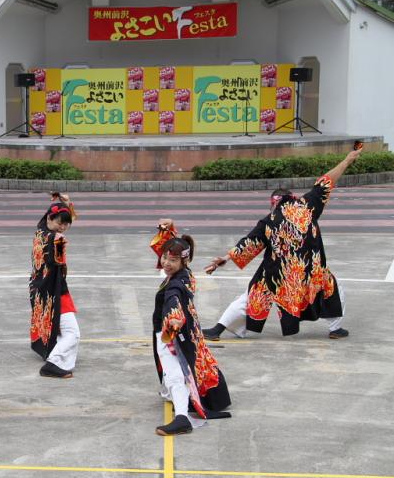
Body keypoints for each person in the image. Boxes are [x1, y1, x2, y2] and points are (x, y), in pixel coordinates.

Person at [202, 147, 362, 341]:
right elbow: (326, 181)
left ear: (273, 203)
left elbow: (248, 243)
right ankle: (336, 329)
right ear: (291, 198)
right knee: (334, 290)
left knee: (249, 297)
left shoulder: (268, 220)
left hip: (275, 275)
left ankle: (217, 330)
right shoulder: (307, 205)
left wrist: (225, 259)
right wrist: (347, 160)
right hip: (310, 272)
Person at [150, 220, 231, 436]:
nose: (165, 262)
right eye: (165, 257)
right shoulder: (184, 272)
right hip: (188, 330)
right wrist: (170, 229)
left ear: (183, 260)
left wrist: (174, 321)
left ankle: (182, 418)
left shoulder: (176, 284)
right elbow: (169, 247)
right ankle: (174, 395)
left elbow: (173, 301)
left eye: (172, 260)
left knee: (176, 373)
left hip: (173, 332)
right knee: (179, 370)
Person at [29, 193, 80, 378]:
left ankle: (56, 357)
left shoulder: (40, 230)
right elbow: (58, 261)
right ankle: (53, 363)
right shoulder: (56, 238)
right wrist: (60, 243)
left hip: (39, 287)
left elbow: (63, 220)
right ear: (50, 218)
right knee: (72, 332)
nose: (63, 227)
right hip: (53, 289)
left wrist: (66, 204)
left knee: (57, 328)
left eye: (66, 224)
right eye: (60, 223)